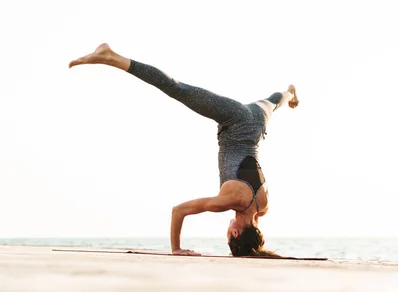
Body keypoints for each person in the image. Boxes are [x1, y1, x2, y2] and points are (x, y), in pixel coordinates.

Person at [68, 43, 299, 257]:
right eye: (229, 236)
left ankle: (289, 95)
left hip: (258, 125)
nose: (227, 232)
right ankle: (110, 56)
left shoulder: (263, 206)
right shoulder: (230, 200)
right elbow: (178, 211)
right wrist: (176, 249)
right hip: (235, 120)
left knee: (273, 102)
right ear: (235, 234)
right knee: (176, 88)